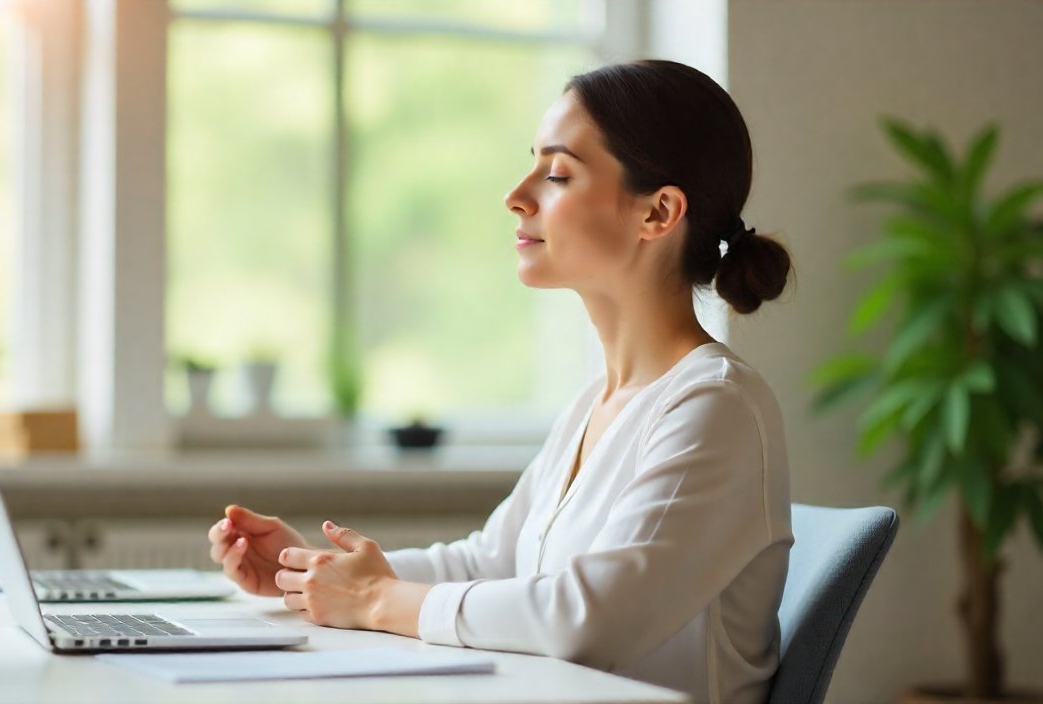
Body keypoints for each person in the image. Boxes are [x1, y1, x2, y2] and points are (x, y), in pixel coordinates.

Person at [206, 59, 794, 704]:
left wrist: (376, 599)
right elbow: (491, 563)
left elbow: (587, 622)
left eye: (559, 174)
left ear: (658, 212)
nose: (517, 195)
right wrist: (316, 576)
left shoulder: (716, 407)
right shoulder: (596, 404)